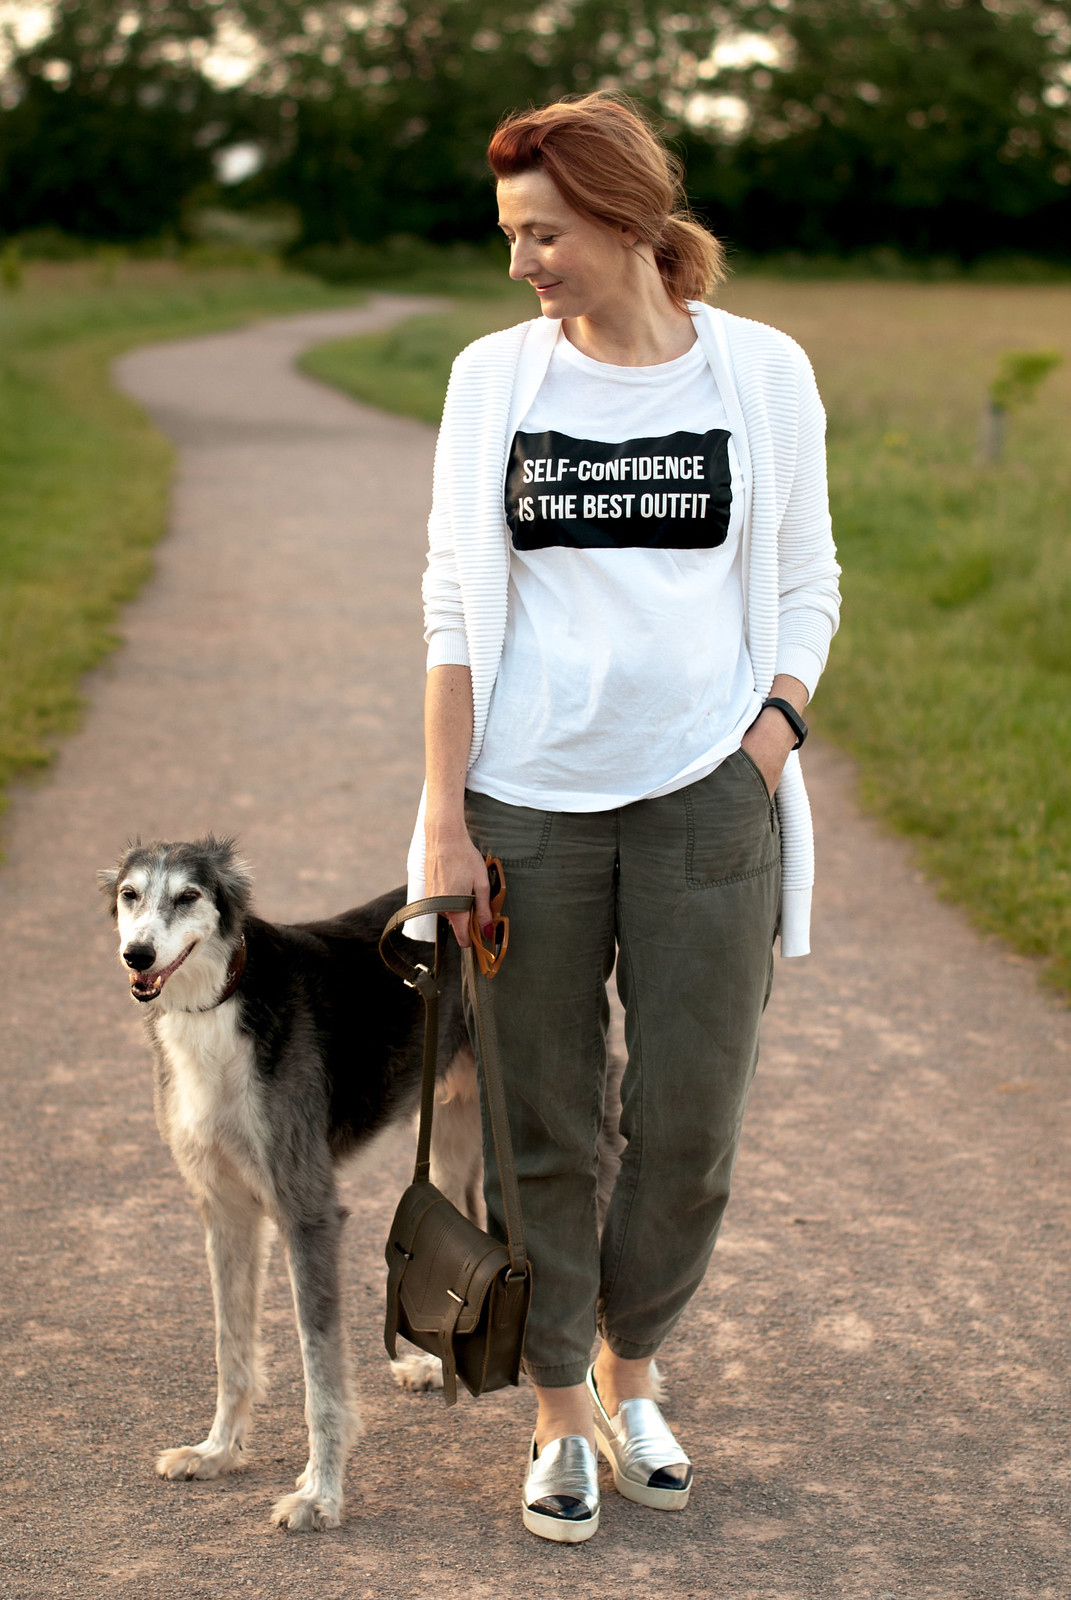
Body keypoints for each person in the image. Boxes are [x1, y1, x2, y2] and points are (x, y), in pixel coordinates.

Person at [405, 92, 840, 1543]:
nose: (523, 260)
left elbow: (807, 579)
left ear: (632, 221)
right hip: (528, 805)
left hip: (710, 801)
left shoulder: (759, 371)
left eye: (546, 231)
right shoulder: (495, 380)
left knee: (690, 1124)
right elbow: (456, 603)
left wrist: (769, 738)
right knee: (541, 1126)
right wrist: (443, 820)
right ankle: (552, 1416)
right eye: (512, 234)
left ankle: (629, 1369)